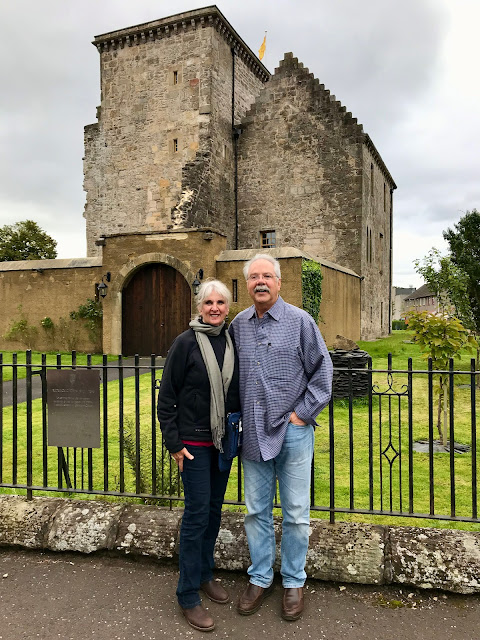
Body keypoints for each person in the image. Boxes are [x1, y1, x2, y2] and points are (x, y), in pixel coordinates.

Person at [229, 254, 333, 621]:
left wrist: (302, 415)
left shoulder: (300, 321)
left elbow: (323, 370)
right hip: (253, 432)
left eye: (267, 276)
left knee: (296, 513)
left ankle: (293, 581)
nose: (260, 282)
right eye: (254, 277)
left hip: (292, 432)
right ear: (247, 284)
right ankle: (259, 577)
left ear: (278, 282)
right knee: (256, 510)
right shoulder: (238, 325)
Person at [157, 279, 240, 633]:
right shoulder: (185, 343)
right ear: (199, 306)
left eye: (221, 302)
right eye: (209, 302)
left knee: (213, 512)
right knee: (196, 516)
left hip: (222, 443)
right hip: (192, 446)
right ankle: (188, 594)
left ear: (228, 307)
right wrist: (174, 444)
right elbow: (167, 398)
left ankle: (205, 574)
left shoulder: (232, 341)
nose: (215, 308)